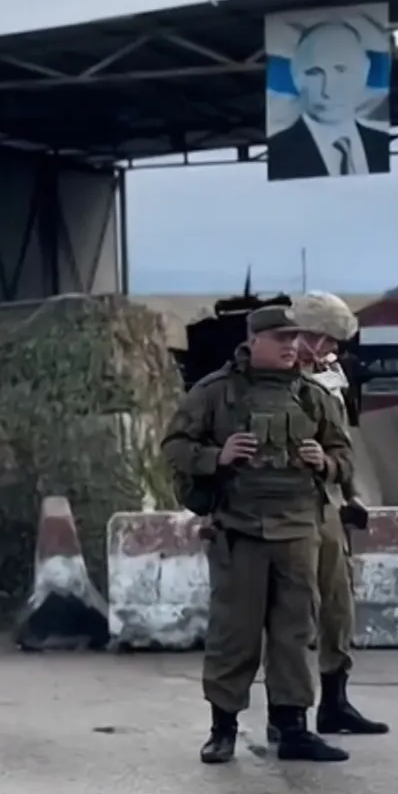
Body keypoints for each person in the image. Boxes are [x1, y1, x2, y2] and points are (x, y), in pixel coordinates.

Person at [164, 304, 354, 764]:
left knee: (295, 634)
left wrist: (325, 462)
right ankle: (222, 729)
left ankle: (292, 728)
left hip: (298, 531)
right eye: (281, 339)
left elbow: (346, 457)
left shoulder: (313, 396)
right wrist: (217, 456)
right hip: (240, 530)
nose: (291, 347)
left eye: (294, 338)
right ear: (253, 342)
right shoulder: (215, 393)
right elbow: (174, 447)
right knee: (235, 633)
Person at [286, 290, 389, 738]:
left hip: (328, 497)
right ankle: (286, 712)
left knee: (338, 604)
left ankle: (335, 701)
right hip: (289, 505)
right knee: (291, 611)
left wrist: (352, 493)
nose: (331, 350)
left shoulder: (330, 378)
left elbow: (341, 440)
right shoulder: (273, 379)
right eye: (326, 340)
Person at [266, 20, 392, 180]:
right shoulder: (278, 152)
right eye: (314, 72)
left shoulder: (381, 144)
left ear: (365, 71)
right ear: (295, 76)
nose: (327, 91)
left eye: (341, 70)